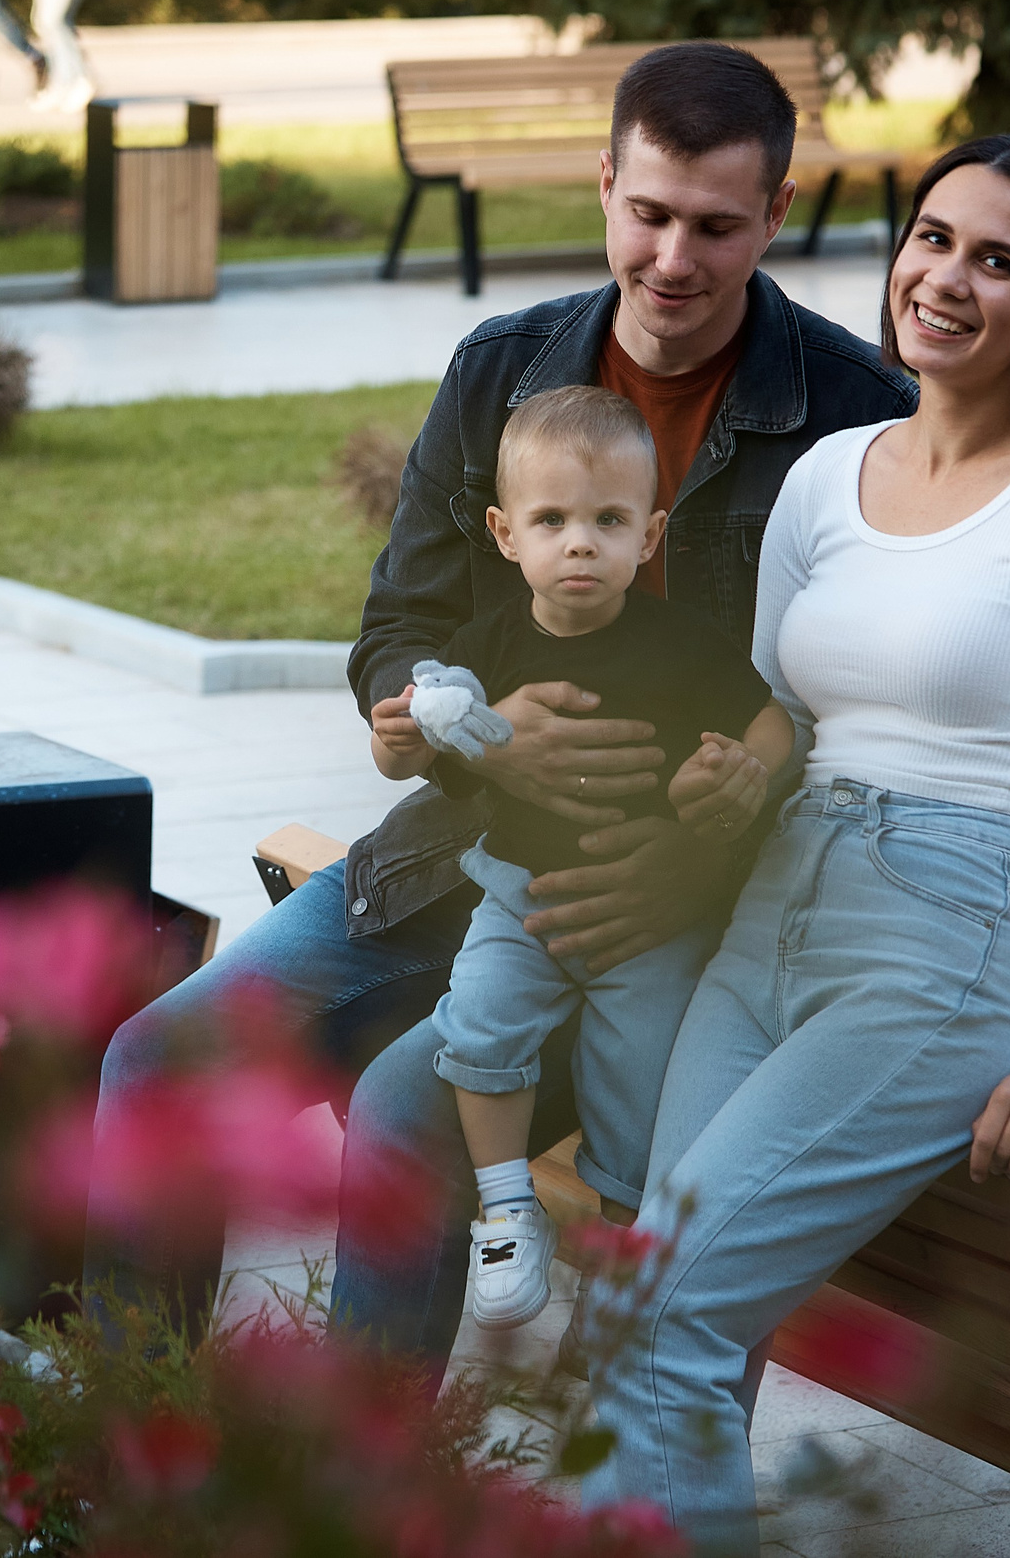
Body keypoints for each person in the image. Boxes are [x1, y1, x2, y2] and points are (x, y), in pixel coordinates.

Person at [82, 43, 916, 1372]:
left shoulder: (859, 416)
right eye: (648, 213)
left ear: (776, 213)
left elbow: (876, 706)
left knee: (405, 1111)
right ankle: (113, 1455)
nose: (674, 258)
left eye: (715, 225)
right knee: (153, 1058)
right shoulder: (501, 367)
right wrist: (434, 713)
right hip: (455, 856)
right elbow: (396, 629)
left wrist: (706, 847)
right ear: (603, 186)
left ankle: (362, 1494)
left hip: (673, 923)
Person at [580, 134, 1010, 1553]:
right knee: (651, 1310)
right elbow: (782, 699)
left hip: (945, 940)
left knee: (667, 1303)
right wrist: (730, 765)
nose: (945, 277)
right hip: (770, 909)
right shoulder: (829, 474)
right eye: (930, 237)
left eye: (998, 259)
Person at [385, 386, 791, 1333]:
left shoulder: (683, 646)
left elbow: (770, 723)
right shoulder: (484, 646)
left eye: (608, 521)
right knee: (478, 1026)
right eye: (553, 519)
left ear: (649, 537)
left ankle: (621, 1255)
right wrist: (403, 735)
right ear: (504, 532)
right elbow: (412, 739)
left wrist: (744, 770)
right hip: (517, 902)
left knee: (642, 1082)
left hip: (650, 923)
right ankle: (506, 1210)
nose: (580, 543)